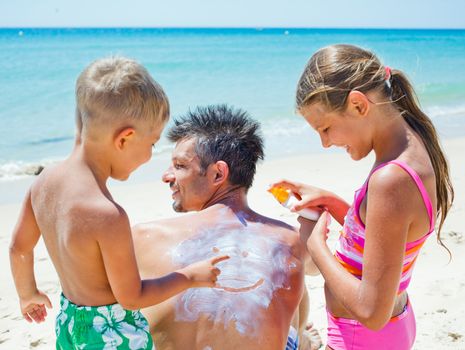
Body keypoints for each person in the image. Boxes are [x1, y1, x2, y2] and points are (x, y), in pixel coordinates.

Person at [9, 57, 228, 350]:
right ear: (124, 139)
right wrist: (189, 276)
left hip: (70, 324)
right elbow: (131, 297)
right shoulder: (106, 215)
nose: (151, 155)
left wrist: (28, 294)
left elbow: (19, 248)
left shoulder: (43, 183)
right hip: (111, 335)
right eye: (151, 144)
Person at [271, 44, 455, 349]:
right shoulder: (409, 147)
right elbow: (386, 235)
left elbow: (372, 312)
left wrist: (317, 247)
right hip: (386, 329)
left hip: (362, 336)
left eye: (326, 128)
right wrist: (333, 202)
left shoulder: (391, 180)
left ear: (358, 105)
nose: (325, 143)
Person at [133, 104, 322, 350]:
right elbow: (316, 267)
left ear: (218, 174)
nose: (166, 176)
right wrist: (313, 222)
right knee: (286, 271)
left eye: (179, 166)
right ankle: (302, 341)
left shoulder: (143, 236)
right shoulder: (288, 240)